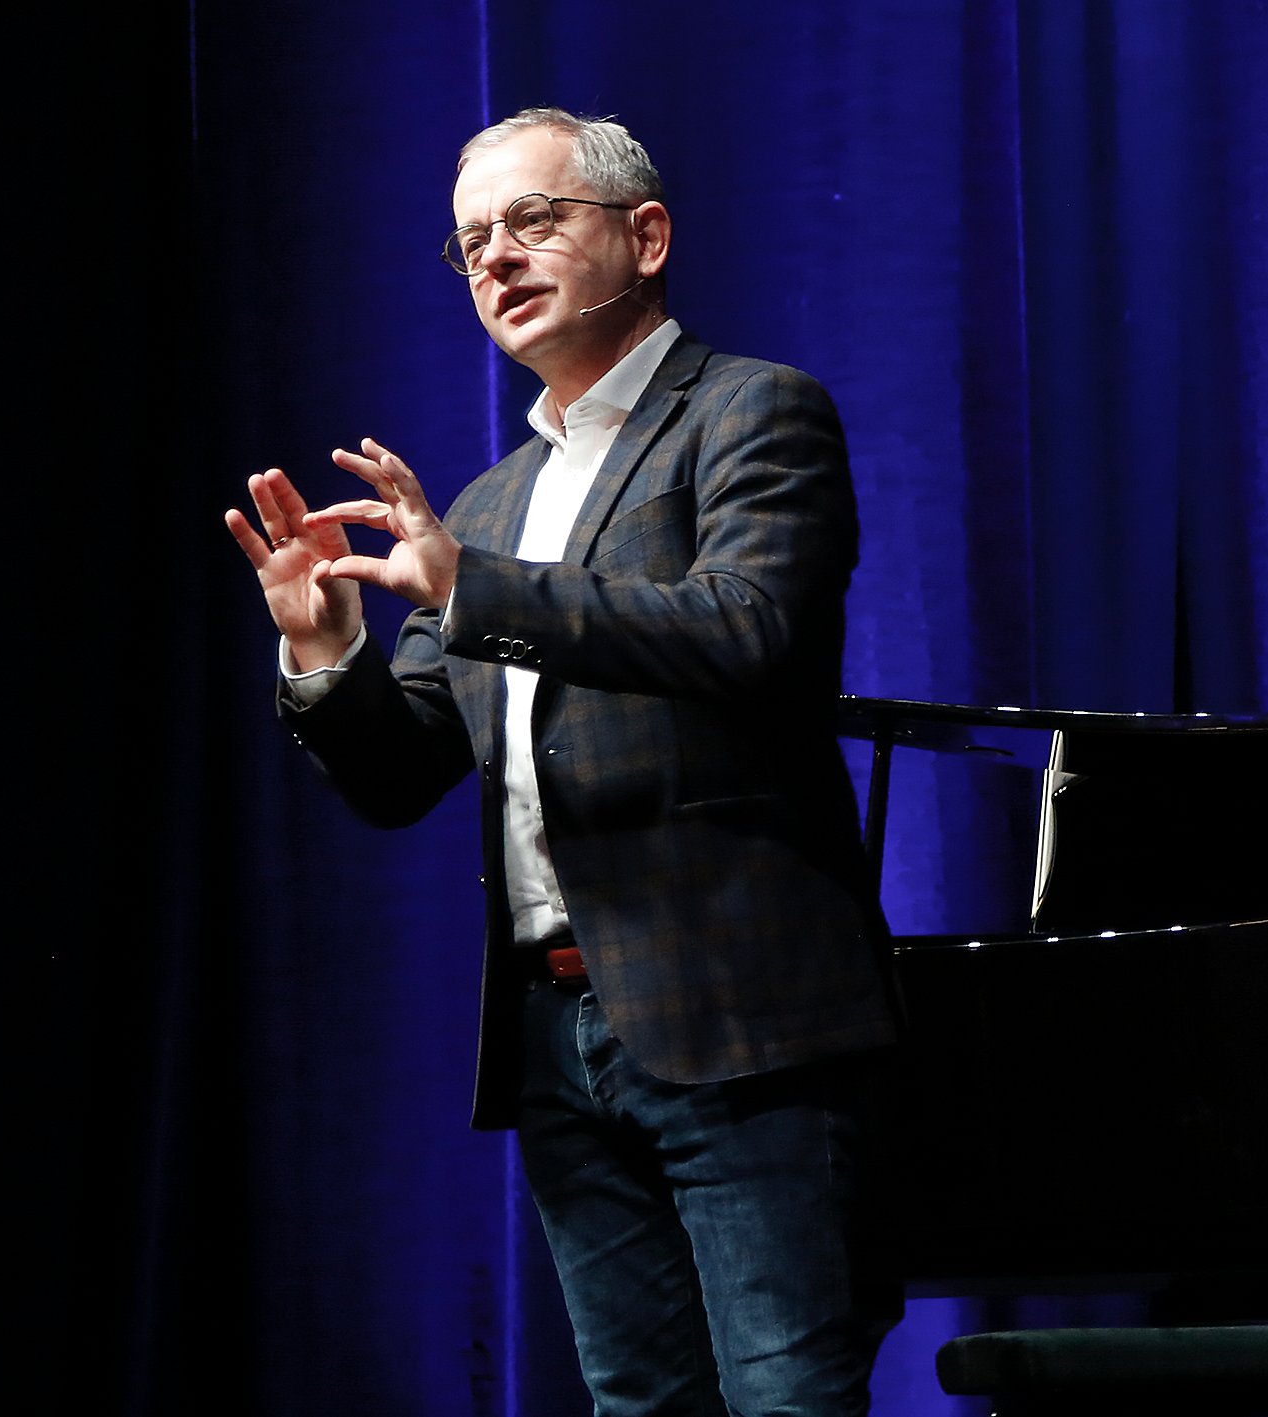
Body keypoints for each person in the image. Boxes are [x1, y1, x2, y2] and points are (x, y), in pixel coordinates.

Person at [224, 108, 899, 1416]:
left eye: (532, 221)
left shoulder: (750, 413)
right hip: (553, 1032)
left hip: (741, 1014)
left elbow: (749, 629)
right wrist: (324, 653)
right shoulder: (484, 503)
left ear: (643, 235)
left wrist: (474, 586)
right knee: (638, 1403)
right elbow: (402, 770)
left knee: (788, 1401)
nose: (495, 260)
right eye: (471, 241)